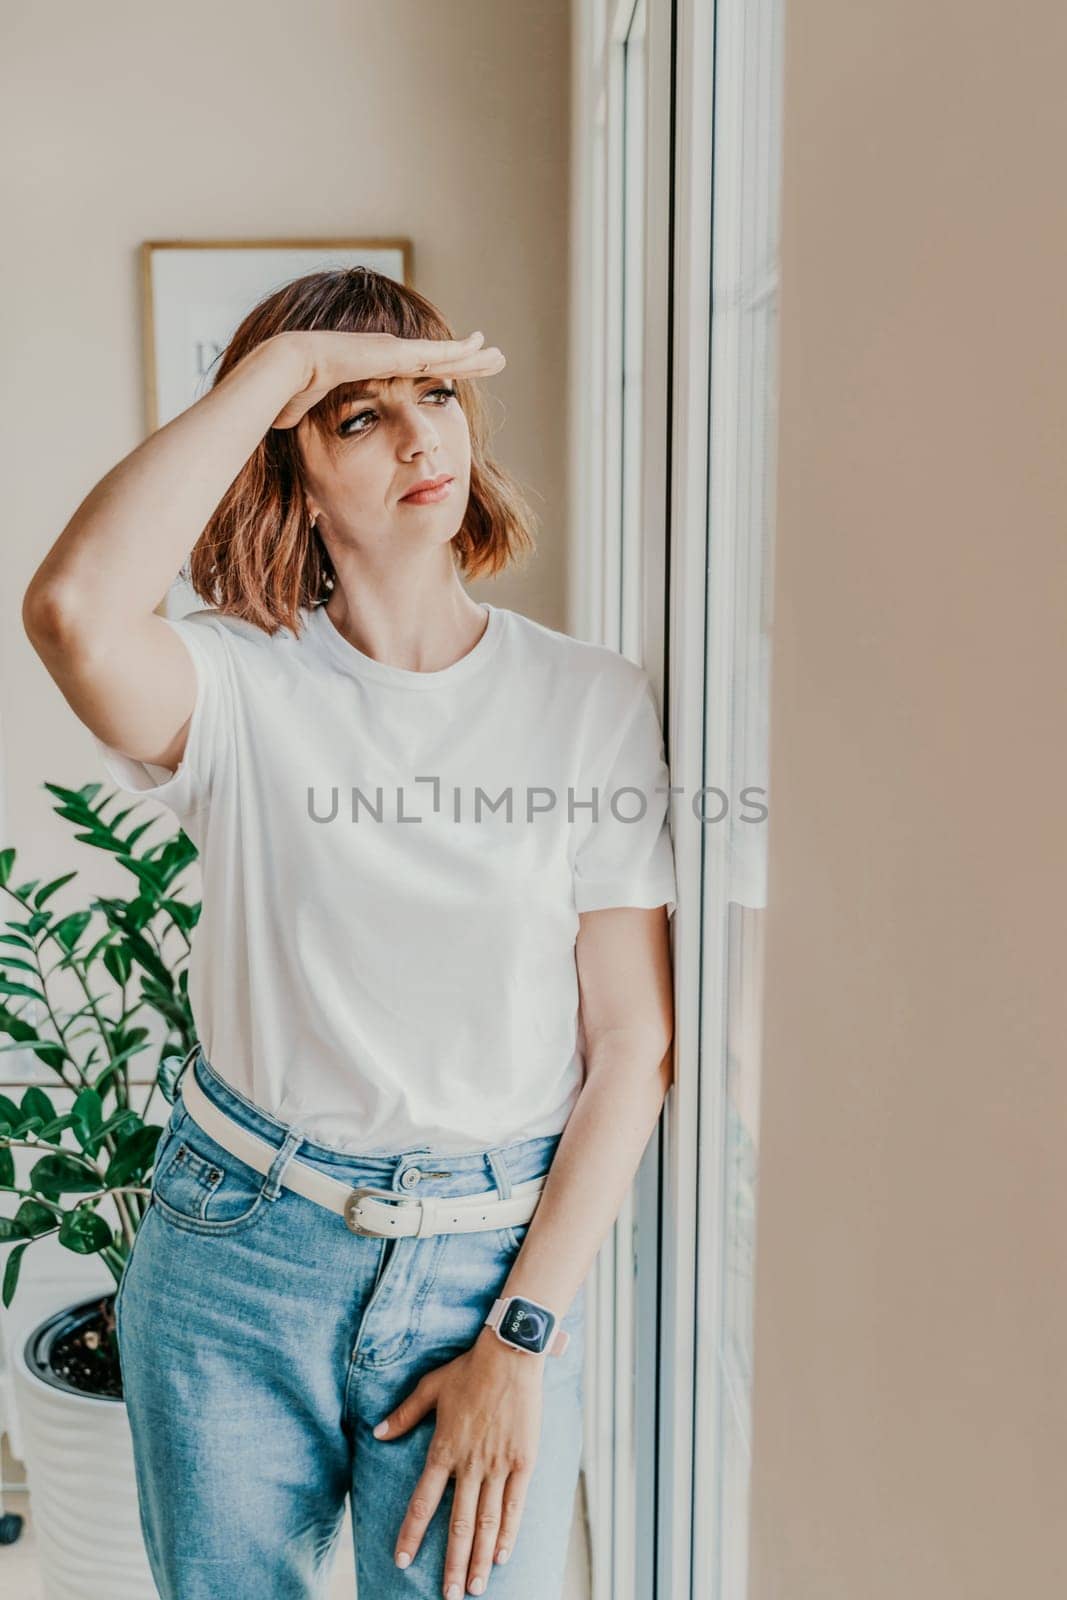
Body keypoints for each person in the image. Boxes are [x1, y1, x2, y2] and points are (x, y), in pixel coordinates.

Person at [21, 267, 677, 1600]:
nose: (423, 436)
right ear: (296, 472)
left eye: (437, 393)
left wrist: (523, 1338)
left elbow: (632, 1045)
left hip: (489, 1262)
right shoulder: (241, 688)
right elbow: (73, 612)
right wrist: (271, 375)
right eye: (357, 415)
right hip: (233, 1253)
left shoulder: (588, 699)